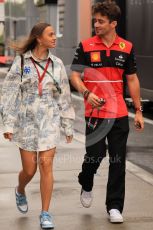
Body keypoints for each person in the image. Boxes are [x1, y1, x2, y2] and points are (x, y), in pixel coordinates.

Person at [70, 0, 144, 224]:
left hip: (119, 113)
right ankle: (86, 181)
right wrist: (86, 92)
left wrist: (138, 111)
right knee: (95, 156)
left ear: (113, 23)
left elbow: (131, 79)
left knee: (118, 160)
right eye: (95, 20)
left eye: (101, 21)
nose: (96, 24)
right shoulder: (85, 46)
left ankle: (114, 206)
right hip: (94, 114)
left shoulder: (127, 47)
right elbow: (74, 75)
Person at [0, 22, 75, 229]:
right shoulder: (21, 61)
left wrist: (67, 124)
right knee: (29, 170)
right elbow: (9, 94)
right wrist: (8, 124)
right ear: (39, 38)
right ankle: (20, 189)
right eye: (50, 34)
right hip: (26, 123)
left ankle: (45, 213)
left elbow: (64, 95)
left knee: (46, 166)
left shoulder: (57, 64)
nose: (55, 37)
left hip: (49, 121)